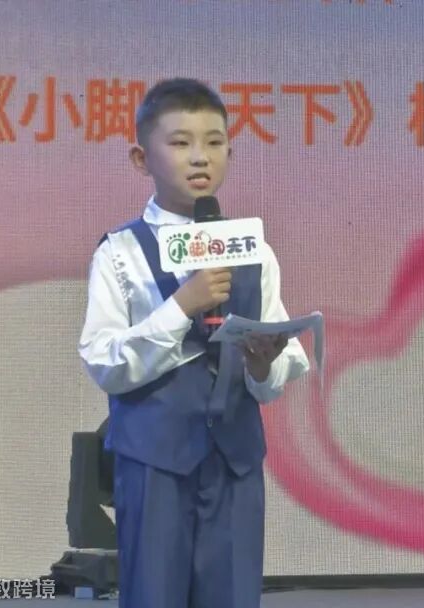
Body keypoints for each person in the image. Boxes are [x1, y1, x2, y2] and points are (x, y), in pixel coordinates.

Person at [78, 77, 310, 608]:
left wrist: (264, 364)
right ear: (142, 159)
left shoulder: (253, 249)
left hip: (234, 460)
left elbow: (278, 362)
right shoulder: (120, 252)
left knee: (233, 595)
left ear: (231, 152)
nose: (200, 156)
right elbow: (103, 359)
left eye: (214, 142)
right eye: (181, 143)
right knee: (153, 595)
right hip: (154, 462)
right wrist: (182, 305)